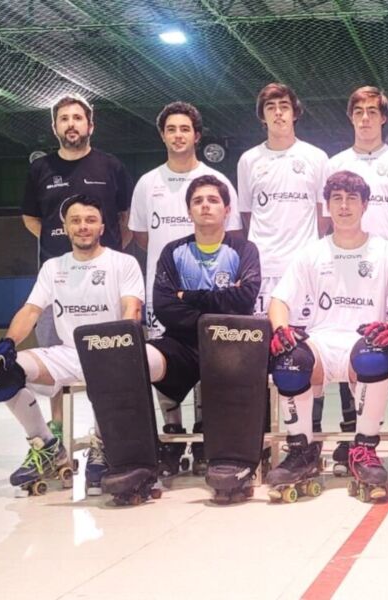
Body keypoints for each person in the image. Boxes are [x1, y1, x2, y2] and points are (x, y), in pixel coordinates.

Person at [267, 170, 388, 501]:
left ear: (365, 205)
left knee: (374, 355)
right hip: (322, 343)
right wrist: (280, 328)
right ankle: (302, 451)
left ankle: (363, 448)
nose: (344, 205)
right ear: (327, 206)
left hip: (362, 341)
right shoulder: (312, 253)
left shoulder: (387, 251)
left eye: (352, 198)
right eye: (336, 198)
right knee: (289, 358)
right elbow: (279, 299)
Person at [0, 194, 143, 496]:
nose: (83, 227)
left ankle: (104, 444)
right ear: (65, 227)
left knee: (112, 375)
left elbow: (131, 311)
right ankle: (47, 445)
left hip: (111, 350)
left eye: (90, 220)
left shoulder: (124, 263)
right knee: (0, 372)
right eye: (76, 221)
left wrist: (119, 351)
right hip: (68, 353)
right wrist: (7, 343)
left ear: (102, 226)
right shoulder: (53, 267)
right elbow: (31, 310)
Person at [128, 102, 241, 471]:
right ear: (163, 135)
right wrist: (172, 276)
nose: (178, 135)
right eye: (171, 129)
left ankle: (205, 429)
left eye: (185, 129)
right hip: (164, 291)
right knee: (166, 358)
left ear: (196, 135)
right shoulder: (147, 182)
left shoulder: (217, 180)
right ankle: (172, 435)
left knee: (209, 359)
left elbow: (232, 237)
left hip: (210, 291)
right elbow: (142, 237)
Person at [21, 93, 134, 441]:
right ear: (55, 127)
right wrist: (65, 251)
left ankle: (106, 436)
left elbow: (125, 219)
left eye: (77, 118)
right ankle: (58, 436)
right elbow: (30, 218)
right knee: (55, 366)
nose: (71, 124)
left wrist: (99, 253)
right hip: (58, 286)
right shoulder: (40, 169)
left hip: (105, 284)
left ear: (90, 125)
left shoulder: (111, 166)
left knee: (108, 363)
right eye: (64, 119)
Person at [323, 86, 388, 460]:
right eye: (359, 111)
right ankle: (353, 436)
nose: (365, 117)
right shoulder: (335, 163)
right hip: (346, 271)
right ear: (351, 117)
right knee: (350, 346)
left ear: (383, 118)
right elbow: (326, 219)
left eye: (372, 111)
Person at [145, 175, 260, 478]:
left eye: (212, 200)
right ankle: (170, 434)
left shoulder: (244, 250)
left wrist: (189, 296)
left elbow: (245, 298)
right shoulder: (173, 251)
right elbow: (165, 307)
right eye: (198, 201)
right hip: (181, 341)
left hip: (228, 341)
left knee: (225, 365)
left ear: (227, 209)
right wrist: (219, 302)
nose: (205, 206)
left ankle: (204, 433)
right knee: (143, 358)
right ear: (188, 211)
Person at [237, 83, 327, 319]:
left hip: (305, 266)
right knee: (264, 343)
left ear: (294, 113)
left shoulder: (317, 157)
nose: (278, 112)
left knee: (304, 343)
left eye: (284, 106)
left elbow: (323, 215)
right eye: (271, 107)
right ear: (262, 116)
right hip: (263, 267)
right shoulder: (248, 160)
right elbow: (248, 214)